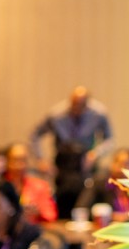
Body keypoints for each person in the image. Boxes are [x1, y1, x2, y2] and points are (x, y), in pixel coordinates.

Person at [29, 86, 113, 218]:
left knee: (86, 199)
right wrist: (41, 159)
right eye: (75, 104)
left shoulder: (98, 114)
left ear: (88, 103)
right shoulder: (56, 115)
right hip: (63, 165)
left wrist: (95, 153)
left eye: (82, 105)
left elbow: (109, 140)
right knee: (62, 203)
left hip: (85, 164)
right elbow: (35, 135)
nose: (77, 108)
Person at [77, 147, 129, 222]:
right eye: (116, 162)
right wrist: (108, 216)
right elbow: (82, 208)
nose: (119, 167)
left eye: (125, 164)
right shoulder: (100, 184)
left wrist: (128, 217)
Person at [3, 144, 56, 225]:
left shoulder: (40, 186)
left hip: (32, 229)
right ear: (7, 162)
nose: (19, 165)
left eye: (23, 160)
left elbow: (51, 215)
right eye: (15, 160)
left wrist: (38, 212)